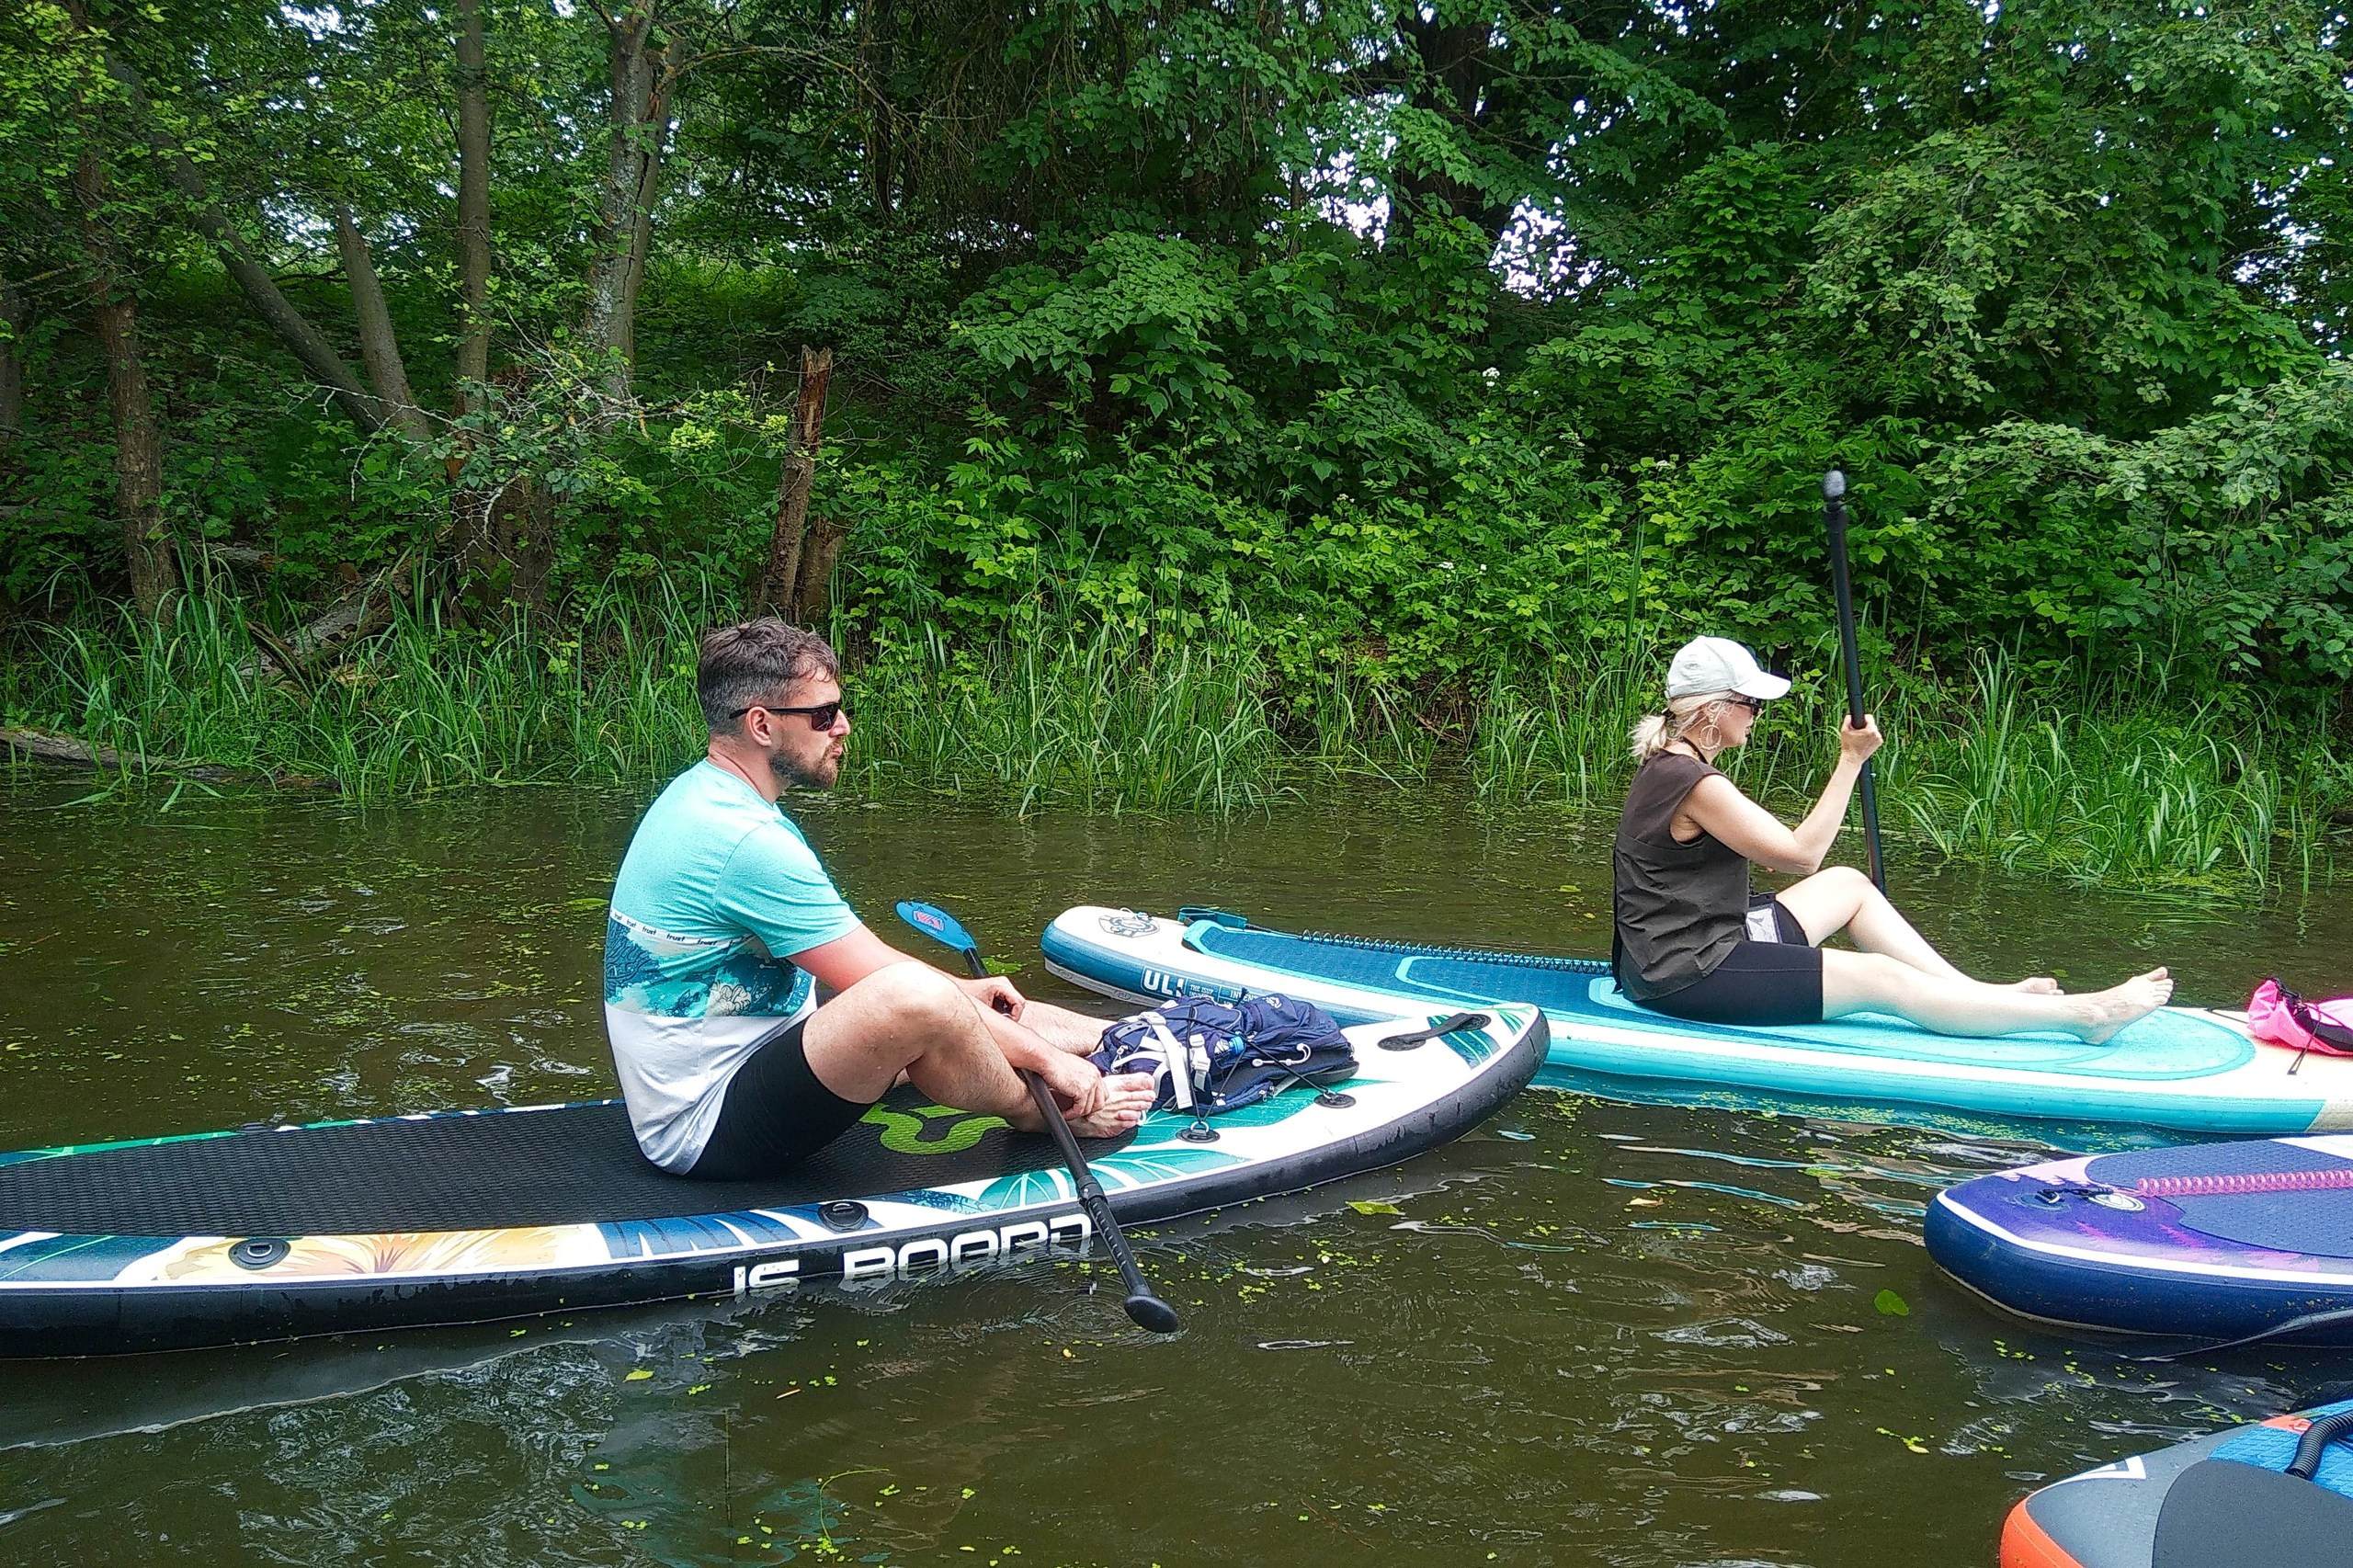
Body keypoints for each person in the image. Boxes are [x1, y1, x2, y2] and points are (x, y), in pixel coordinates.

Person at [602, 618, 1154, 1179]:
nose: (841, 727)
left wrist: (969, 993)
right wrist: (1048, 1063)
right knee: (916, 998)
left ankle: (1143, 1038)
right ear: (762, 725)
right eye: (822, 714)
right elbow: (885, 985)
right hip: (704, 1127)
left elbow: (874, 965)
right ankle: (1040, 1111)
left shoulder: (709, 796)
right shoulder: (743, 841)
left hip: (761, 1054)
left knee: (966, 999)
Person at [1610, 636, 2172, 1042]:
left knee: (1849, 885)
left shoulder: (1677, 764)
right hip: (1684, 972)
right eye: (1751, 704)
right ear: (1713, 711)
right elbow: (1801, 856)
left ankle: (1980, 995)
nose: (1758, 716)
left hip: (1706, 934)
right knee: (1882, 979)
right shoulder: (1694, 782)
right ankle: (2086, 1016)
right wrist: (1850, 761)